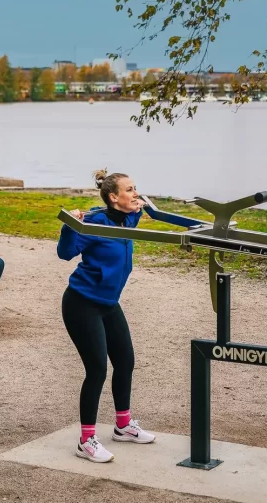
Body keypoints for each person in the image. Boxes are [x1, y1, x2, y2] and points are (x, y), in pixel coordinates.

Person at [56, 169, 156, 464]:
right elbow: (65, 253)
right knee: (98, 369)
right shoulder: (95, 223)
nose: (135, 193)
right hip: (82, 303)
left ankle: (123, 426)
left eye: (136, 188)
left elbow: (137, 213)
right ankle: (86, 441)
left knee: (125, 362)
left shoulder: (127, 219)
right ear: (114, 197)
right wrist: (71, 225)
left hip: (109, 303)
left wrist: (144, 206)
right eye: (130, 190)